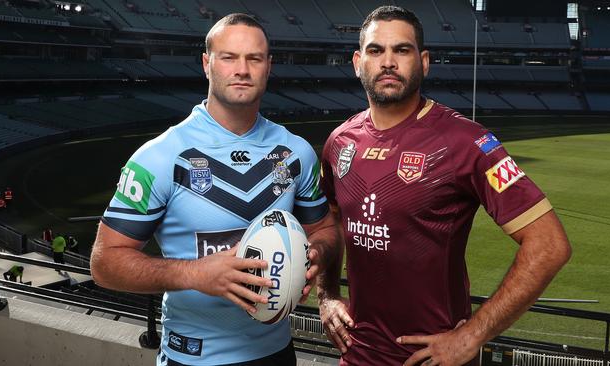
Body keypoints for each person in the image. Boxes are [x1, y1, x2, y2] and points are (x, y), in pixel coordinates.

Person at [316, 6, 572, 366]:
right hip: (356, 355)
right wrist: (327, 295)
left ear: (424, 61)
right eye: (376, 51)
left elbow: (550, 245)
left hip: (432, 359)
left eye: (401, 50)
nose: (388, 62)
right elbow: (330, 225)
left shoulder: (468, 141)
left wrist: (472, 334)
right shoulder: (339, 142)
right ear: (358, 62)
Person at [90, 13, 339, 366]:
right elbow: (104, 263)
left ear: (268, 66)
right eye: (229, 57)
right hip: (192, 357)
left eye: (254, 58)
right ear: (207, 64)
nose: (242, 69)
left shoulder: (295, 152)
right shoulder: (160, 157)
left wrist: (314, 254)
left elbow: (326, 230)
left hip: (277, 355)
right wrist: (195, 273)